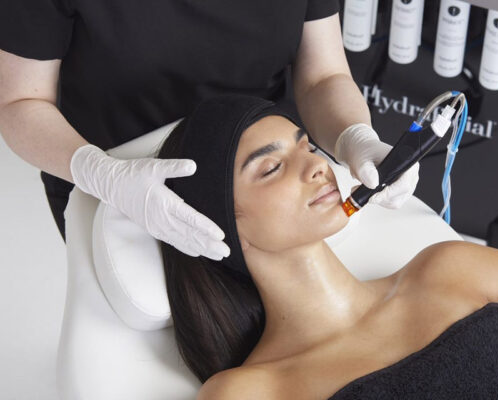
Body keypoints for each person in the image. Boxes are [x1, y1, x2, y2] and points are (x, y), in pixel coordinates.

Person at [157, 94, 498, 399]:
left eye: (307, 147)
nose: (315, 166)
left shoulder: (451, 270)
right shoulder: (252, 391)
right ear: (209, 222)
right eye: (271, 167)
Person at [0, 1, 419, 259]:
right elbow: (19, 103)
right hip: (119, 182)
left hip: (262, 180)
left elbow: (323, 76)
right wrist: (101, 174)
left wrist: (354, 136)